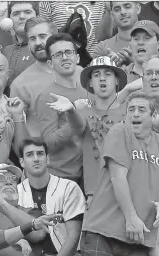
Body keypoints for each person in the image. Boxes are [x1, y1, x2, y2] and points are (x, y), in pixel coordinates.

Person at [81, 91, 159, 256]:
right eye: (131, 109)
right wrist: (131, 217)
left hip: (138, 239)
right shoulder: (120, 131)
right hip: (103, 231)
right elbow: (118, 177)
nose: (135, 114)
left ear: (153, 116)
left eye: (142, 110)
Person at [18, 137, 85, 256]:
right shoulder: (17, 192)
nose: (36, 159)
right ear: (22, 162)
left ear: (47, 159)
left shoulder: (69, 188)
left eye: (40, 154)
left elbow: (74, 235)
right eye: (30, 155)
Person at [34, 33, 87, 183]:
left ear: (77, 58)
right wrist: (74, 115)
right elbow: (49, 143)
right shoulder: (47, 96)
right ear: (50, 64)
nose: (64, 57)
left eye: (68, 52)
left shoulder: (87, 90)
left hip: (88, 173)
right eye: (58, 54)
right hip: (61, 177)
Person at [77, 56, 128, 203]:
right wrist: (71, 110)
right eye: (97, 75)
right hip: (95, 194)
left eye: (108, 74)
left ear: (117, 80)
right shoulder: (81, 113)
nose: (102, 79)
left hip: (129, 189)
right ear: (90, 83)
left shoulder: (131, 113)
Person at [0, 165, 43, 256]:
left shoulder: (29, 211)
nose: (9, 182)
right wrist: (12, 238)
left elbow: (39, 233)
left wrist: (3, 205)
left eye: (13, 179)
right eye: (2, 178)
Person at [9, 17, 57, 136]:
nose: (38, 43)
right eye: (32, 39)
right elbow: (17, 131)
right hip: (43, 151)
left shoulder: (77, 72)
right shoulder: (20, 84)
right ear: (28, 44)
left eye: (42, 36)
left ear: (55, 38)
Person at [39, 1, 105, 55]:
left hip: (94, 61)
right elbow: (46, 36)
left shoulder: (102, 3)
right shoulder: (48, 2)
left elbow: (107, 35)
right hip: (62, 60)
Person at [2, 2, 38, 91]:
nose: (22, 17)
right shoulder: (5, 51)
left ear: (37, 16)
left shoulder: (47, 47)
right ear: (9, 20)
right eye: (16, 13)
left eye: (27, 12)